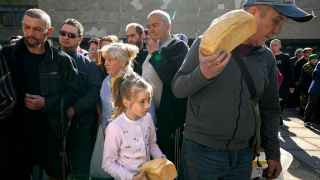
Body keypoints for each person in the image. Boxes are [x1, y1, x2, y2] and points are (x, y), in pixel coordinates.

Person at [172, 0, 313, 179]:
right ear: (253, 12)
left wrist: (273, 153)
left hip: (243, 157)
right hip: (201, 155)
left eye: (282, 23)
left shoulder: (267, 57)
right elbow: (178, 88)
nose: (278, 30)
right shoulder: (207, 43)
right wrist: (202, 74)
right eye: (276, 20)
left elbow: (270, 109)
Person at [0, 8, 79, 180]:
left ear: (48, 31)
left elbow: (73, 92)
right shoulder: (7, 55)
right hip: (14, 135)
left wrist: (47, 102)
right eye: (26, 27)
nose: (30, 33)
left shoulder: (62, 60)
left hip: (50, 134)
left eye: (37, 29)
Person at [142, 10, 189, 168]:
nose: (151, 30)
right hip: (149, 119)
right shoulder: (151, 48)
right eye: (148, 27)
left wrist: (155, 53)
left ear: (169, 25)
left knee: (168, 166)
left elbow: (172, 77)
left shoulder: (178, 47)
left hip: (169, 122)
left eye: (155, 25)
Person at [59, 18, 102, 180]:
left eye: (71, 35)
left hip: (81, 127)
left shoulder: (89, 65)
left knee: (80, 173)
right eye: (63, 33)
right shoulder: (49, 60)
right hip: (54, 127)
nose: (66, 37)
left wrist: (74, 109)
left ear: (79, 39)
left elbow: (94, 92)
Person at [90, 42, 140, 179]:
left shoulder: (135, 83)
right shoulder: (106, 80)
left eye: (111, 60)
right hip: (107, 136)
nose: (106, 63)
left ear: (123, 62)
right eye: (106, 59)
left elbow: (147, 116)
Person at [102, 72, 165, 180]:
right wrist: (131, 177)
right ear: (126, 102)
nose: (147, 105)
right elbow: (108, 163)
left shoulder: (148, 119)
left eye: (149, 100)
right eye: (142, 102)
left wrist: (162, 160)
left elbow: (152, 144)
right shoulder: (115, 127)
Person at [305, 58, 320, 127]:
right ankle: (307, 121)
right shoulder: (319, 64)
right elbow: (317, 74)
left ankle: (316, 121)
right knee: (311, 104)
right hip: (315, 89)